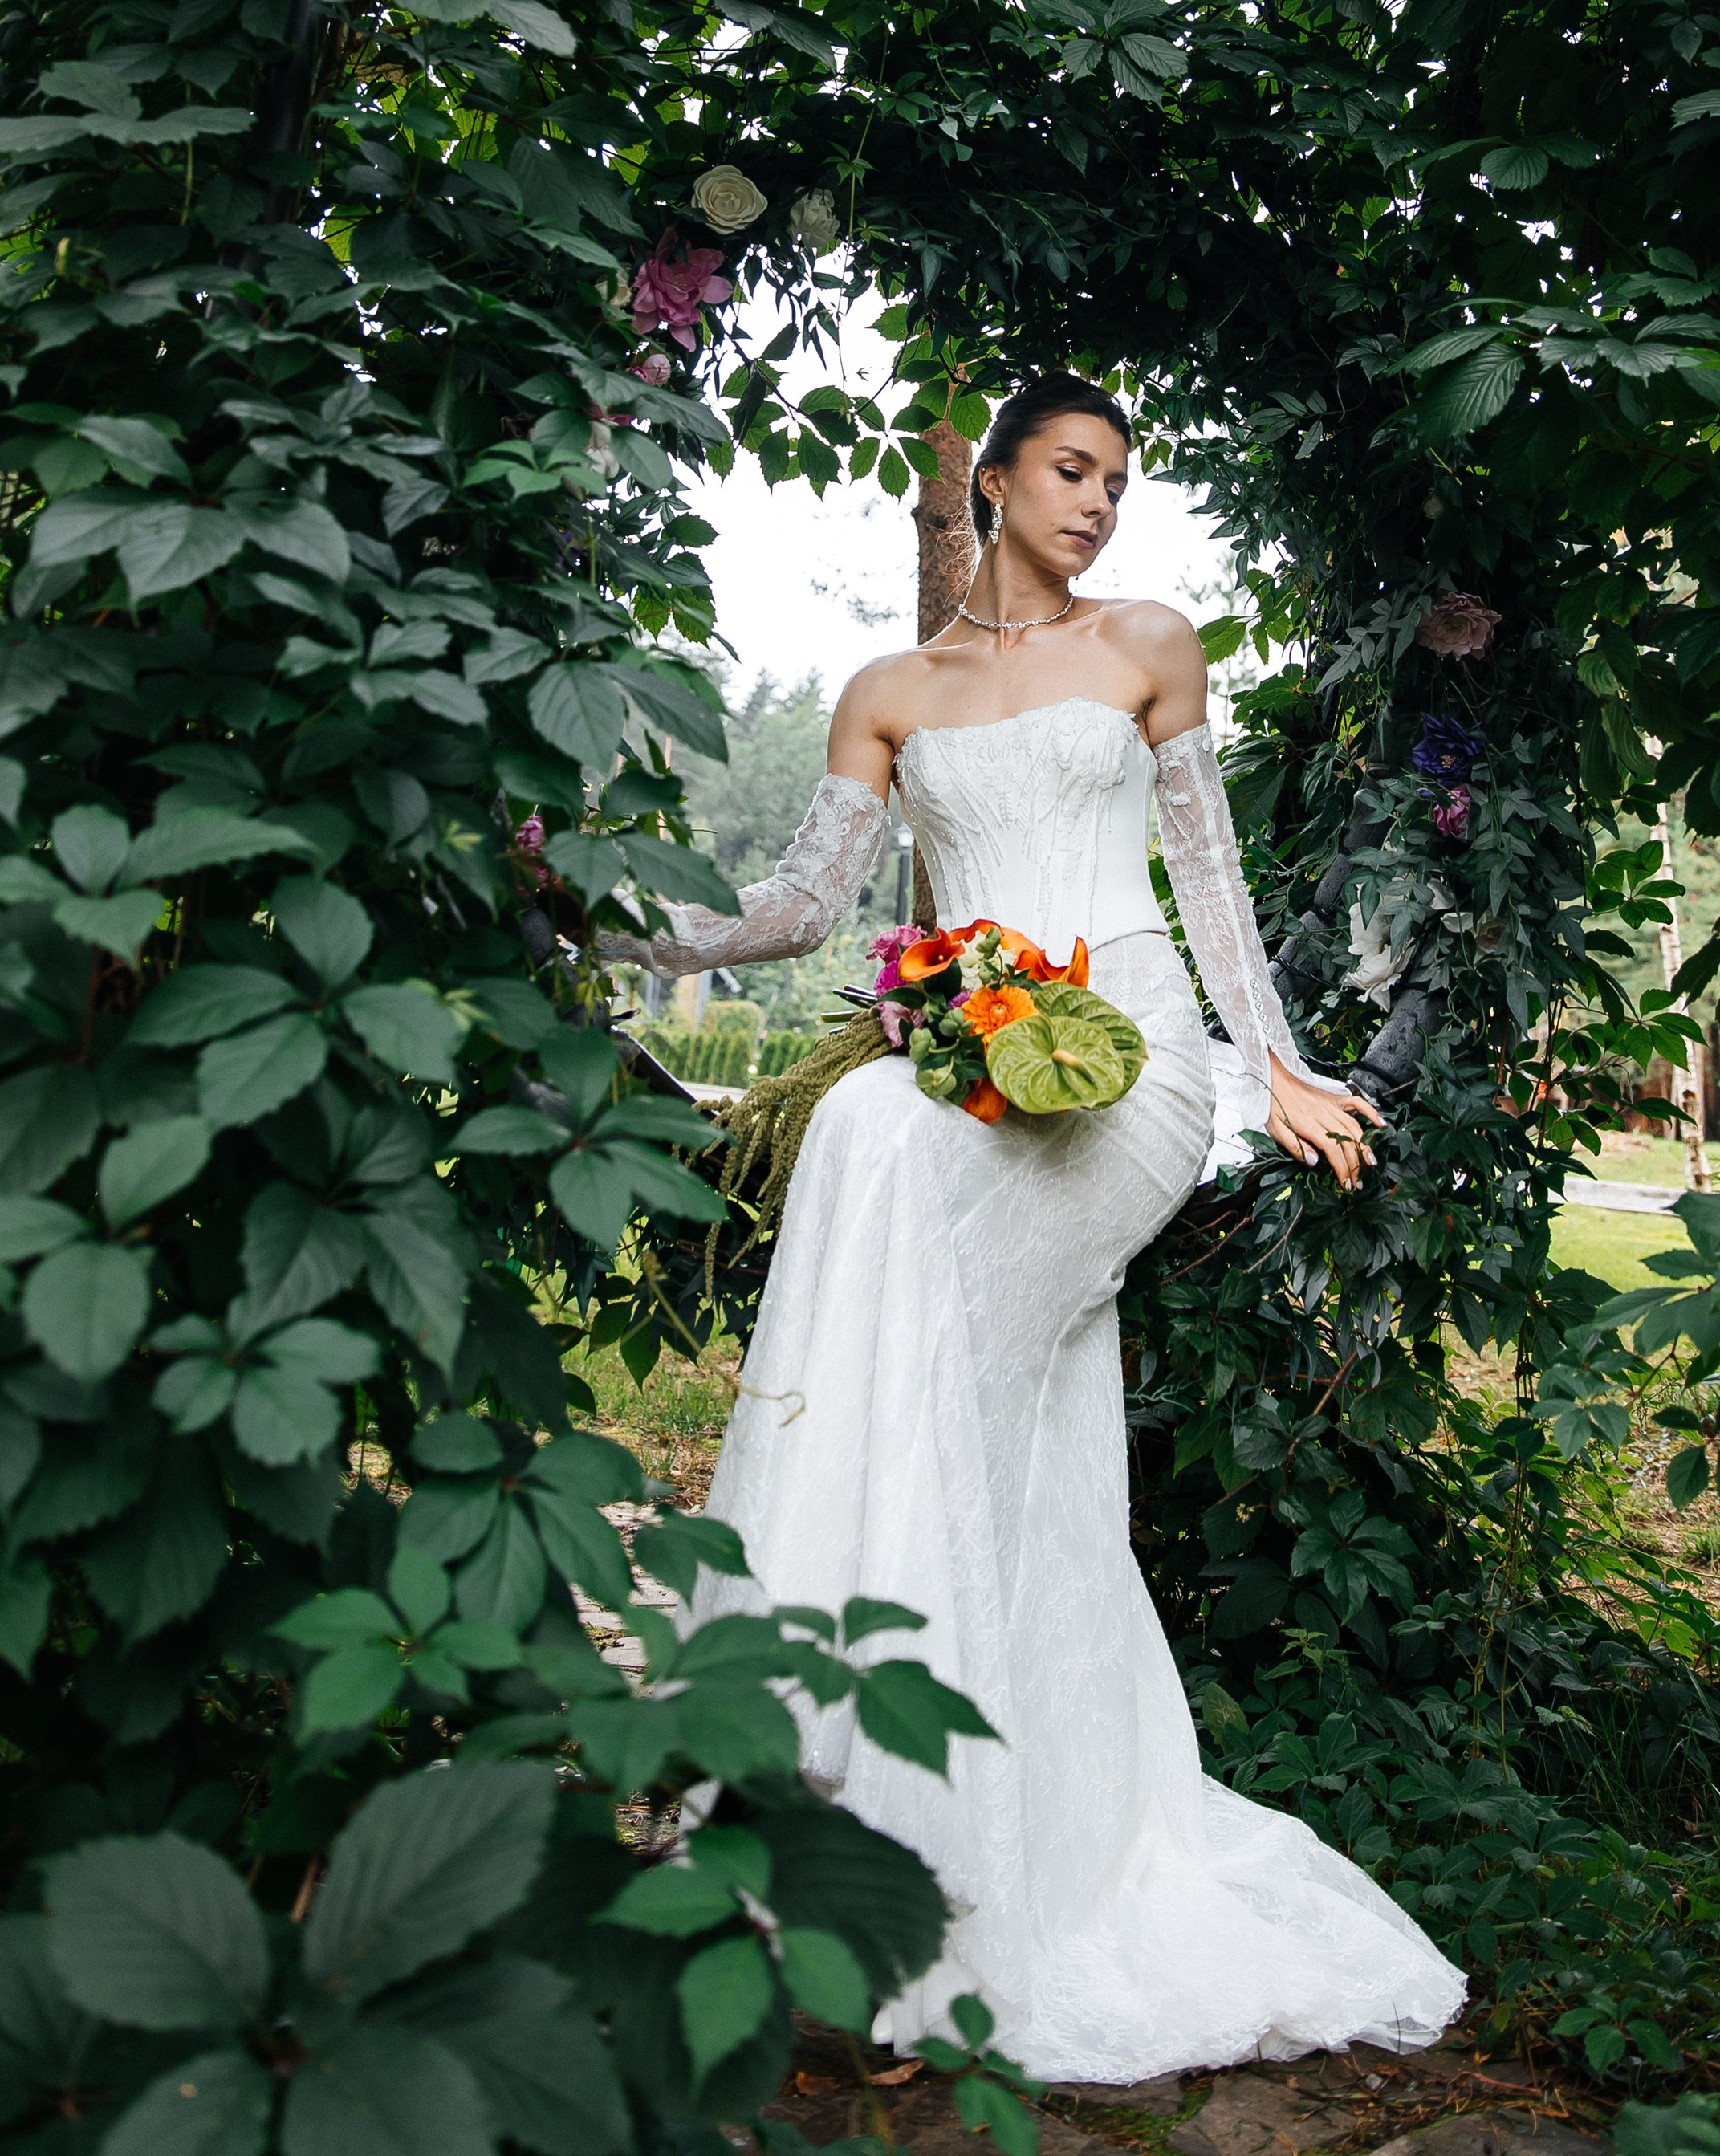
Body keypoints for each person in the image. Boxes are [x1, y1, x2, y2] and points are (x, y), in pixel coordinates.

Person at [609, 372, 1465, 2081]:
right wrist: (638, 919)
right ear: (990, 480)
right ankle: (897, 1842)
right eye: (1070, 470)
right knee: (871, 1156)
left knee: (926, 1341)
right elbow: (798, 903)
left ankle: (905, 1871)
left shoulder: (1146, 642)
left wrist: (1272, 1069)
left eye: (1118, 479)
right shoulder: (884, 691)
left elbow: (1209, 878)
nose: (1098, 501)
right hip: (968, 1063)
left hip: (1128, 1061)